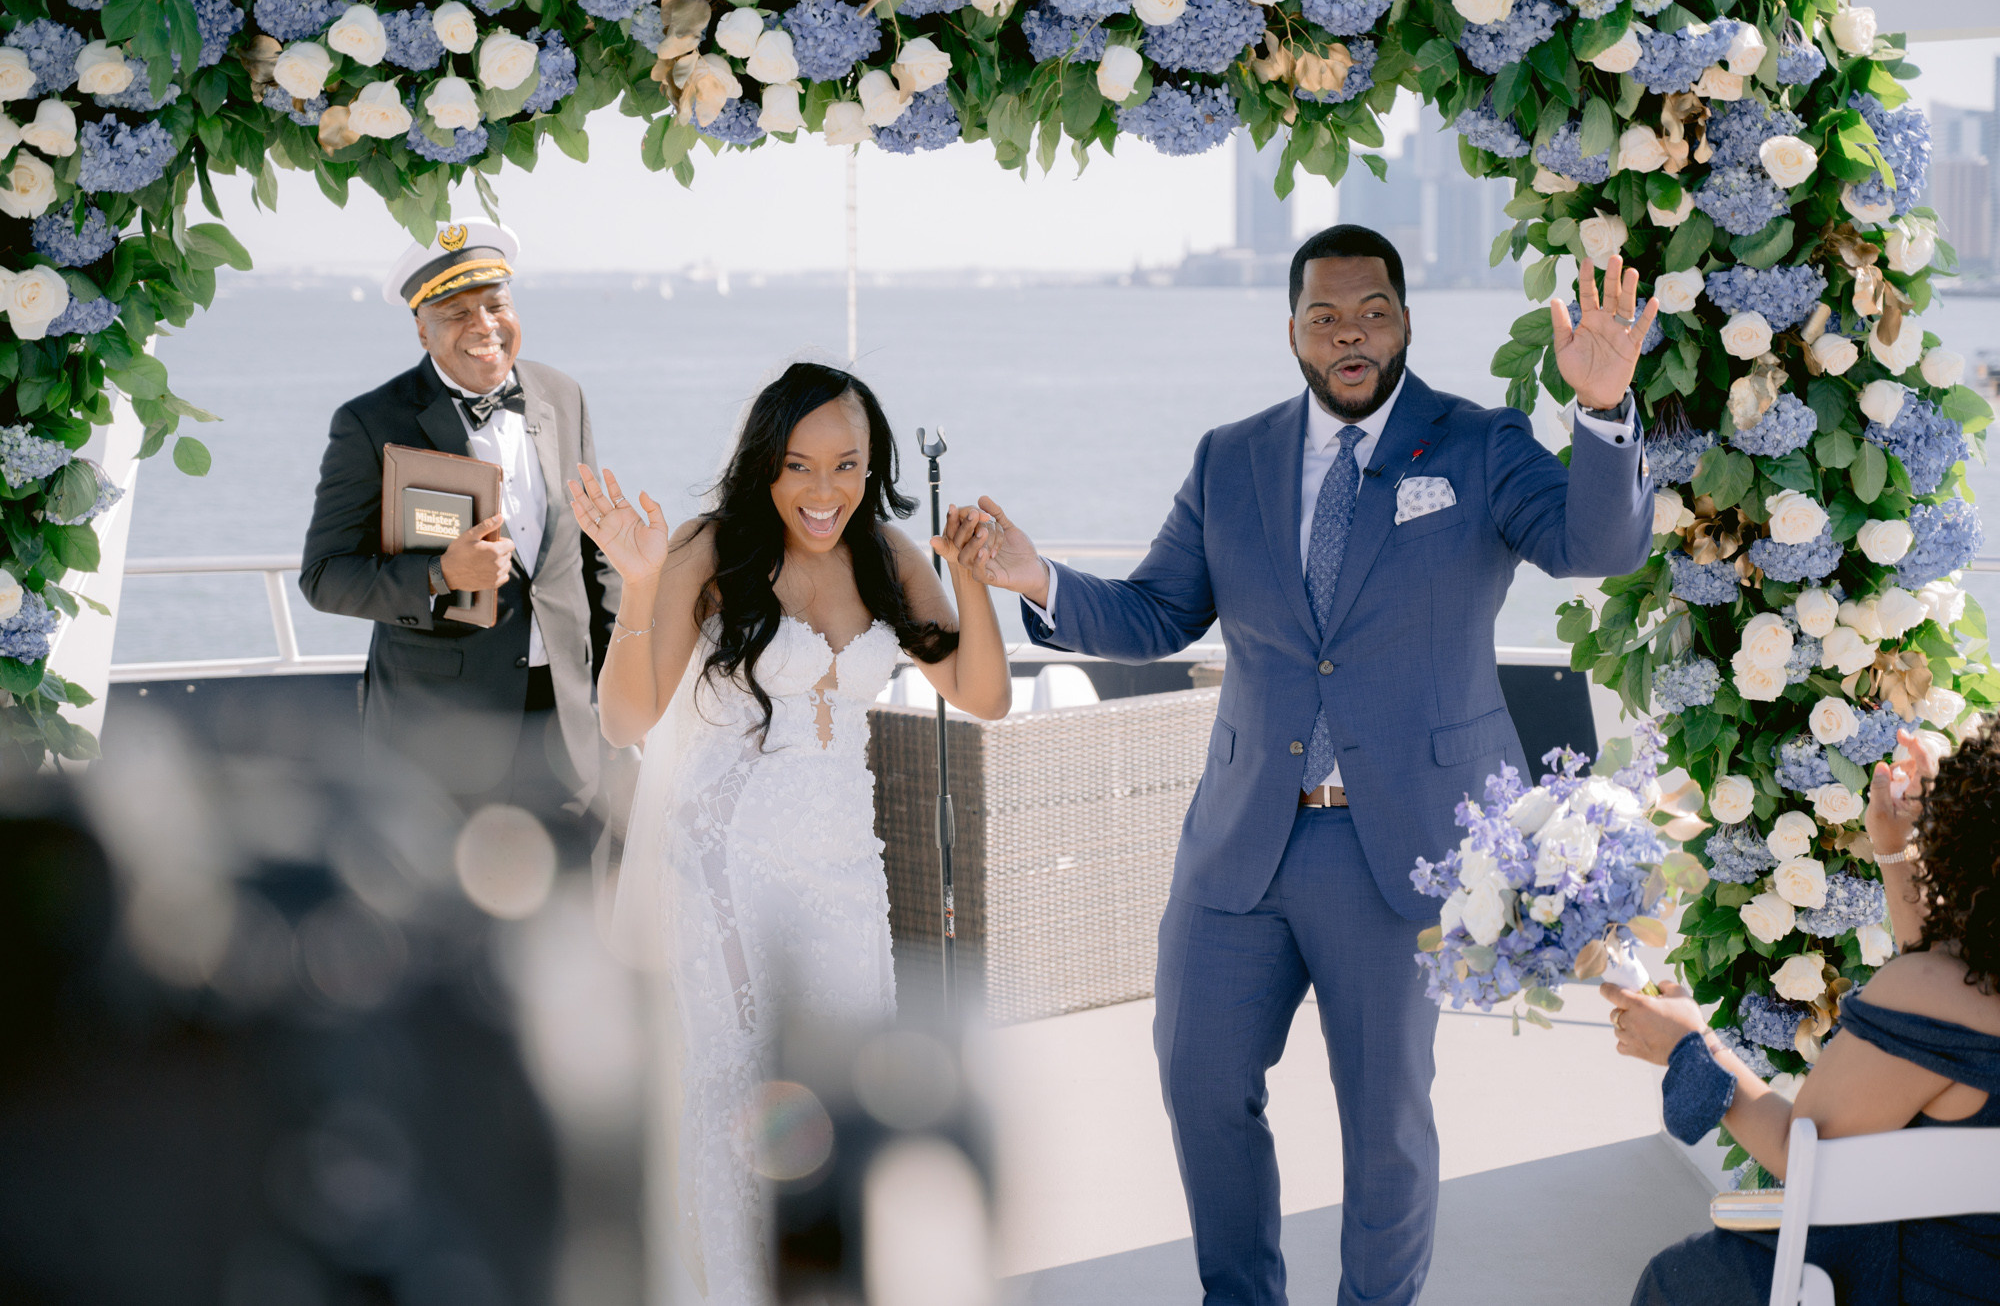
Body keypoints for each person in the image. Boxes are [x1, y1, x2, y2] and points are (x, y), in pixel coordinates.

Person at [940, 224, 1657, 1305]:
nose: (1349, 334)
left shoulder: (1477, 442)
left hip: (1402, 848)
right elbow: (1154, 611)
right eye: (1324, 316)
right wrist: (1037, 574)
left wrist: (1599, 412)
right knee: (1197, 1083)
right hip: (1241, 841)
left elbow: (1595, 546)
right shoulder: (1230, 457)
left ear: (1404, 319)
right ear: (1291, 332)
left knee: (1384, 1123)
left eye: (1371, 310)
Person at [575, 360, 1010, 1303]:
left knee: (845, 1083)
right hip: (723, 864)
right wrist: (642, 584)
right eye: (800, 465)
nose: (824, 491)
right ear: (764, 464)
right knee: (739, 1088)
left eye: (847, 465)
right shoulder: (711, 548)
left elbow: (981, 695)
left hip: (847, 860)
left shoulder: (888, 556)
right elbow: (625, 720)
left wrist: (970, 580)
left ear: (872, 465)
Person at [1606, 724, 2000, 1305]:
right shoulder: (1962, 989)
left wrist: (1689, 1046)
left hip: (1915, 1281)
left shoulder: (1936, 993)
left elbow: (1800, 1152)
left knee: (1680, 1278)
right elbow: (1944, 996)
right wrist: (1896, 851)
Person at [300, 220, 621, 855]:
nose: (484, 326)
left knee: (564, 919)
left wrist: (618, 692)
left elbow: (593, 554)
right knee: (441, 929)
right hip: (439, 738)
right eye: (455, 313)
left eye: (496, 305)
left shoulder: (563, 394)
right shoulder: (369, 422)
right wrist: (440, 577)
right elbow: (324, 576)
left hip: (567, 726)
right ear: (421, 327)